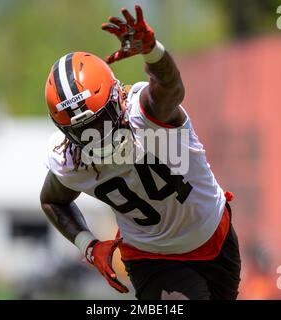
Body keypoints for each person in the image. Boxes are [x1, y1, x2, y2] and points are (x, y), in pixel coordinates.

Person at [40, 5, 241, 300]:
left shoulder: (146, 114)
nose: (96, 136)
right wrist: (89, 246)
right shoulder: (72, 160)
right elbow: (51, 201)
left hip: (213, 236)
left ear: (117, 98)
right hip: (149, 255)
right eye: (82, 131)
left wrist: (153, 52)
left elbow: (170, 86)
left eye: (101, 119)